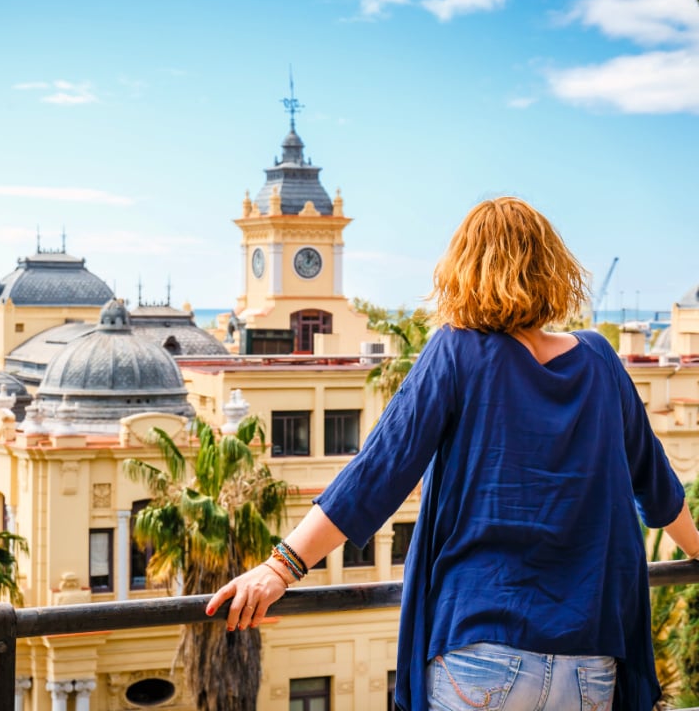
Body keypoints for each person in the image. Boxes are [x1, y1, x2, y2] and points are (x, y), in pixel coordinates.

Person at [206, 196, 699, 711]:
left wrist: (281, 567)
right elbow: (658, 489)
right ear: (553, 269)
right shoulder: (600, 358)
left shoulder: (456, 349)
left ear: (464, 270)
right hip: (589, 660)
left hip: (481, 650)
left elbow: (379, 471)